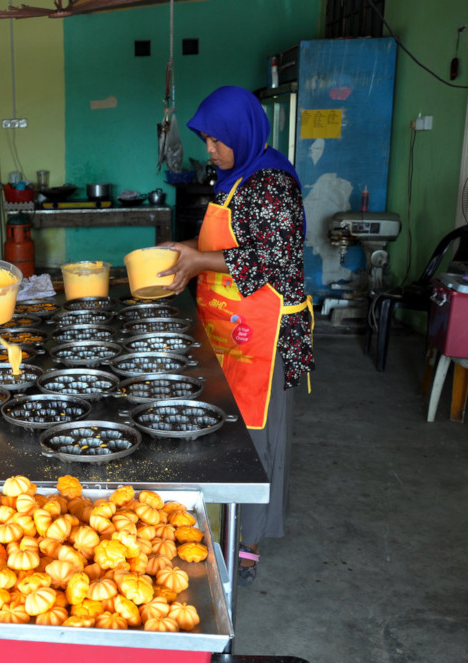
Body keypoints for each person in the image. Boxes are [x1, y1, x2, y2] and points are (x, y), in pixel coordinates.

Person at [157, 85, 314, 586]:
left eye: (216, 141)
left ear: (242, 134)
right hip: (231, 325)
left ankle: (246, 542)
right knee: (228, 430)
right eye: (206, 140)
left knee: (257, 438)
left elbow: (273, 258)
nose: (210, 150)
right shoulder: (235, 177)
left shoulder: (272, 183)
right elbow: (224, 239)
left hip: (264, 335)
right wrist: (182, 247)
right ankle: (222, 525)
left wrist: (199, 261)